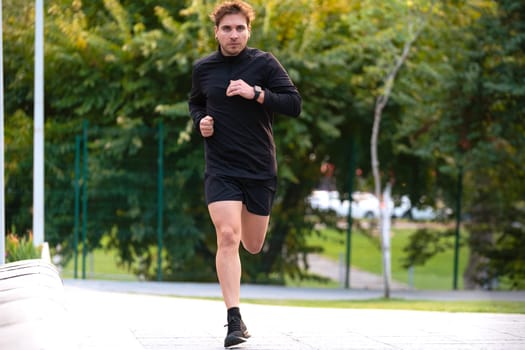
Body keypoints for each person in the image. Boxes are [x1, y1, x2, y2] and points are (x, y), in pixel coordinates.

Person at [188, 0, 301, 347]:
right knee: (227, 235)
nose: (233, 34)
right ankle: (233, 319)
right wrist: (200, 122)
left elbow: (293, 104)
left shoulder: (264, 64)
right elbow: (196, 102)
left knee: (252, 245)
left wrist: (257, 93)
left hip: (259, 168)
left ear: (248, 30)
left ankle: (237, 314)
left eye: (239, 28)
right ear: (216, 32)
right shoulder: (203, 68)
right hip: (221, 167)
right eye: (227, 28)